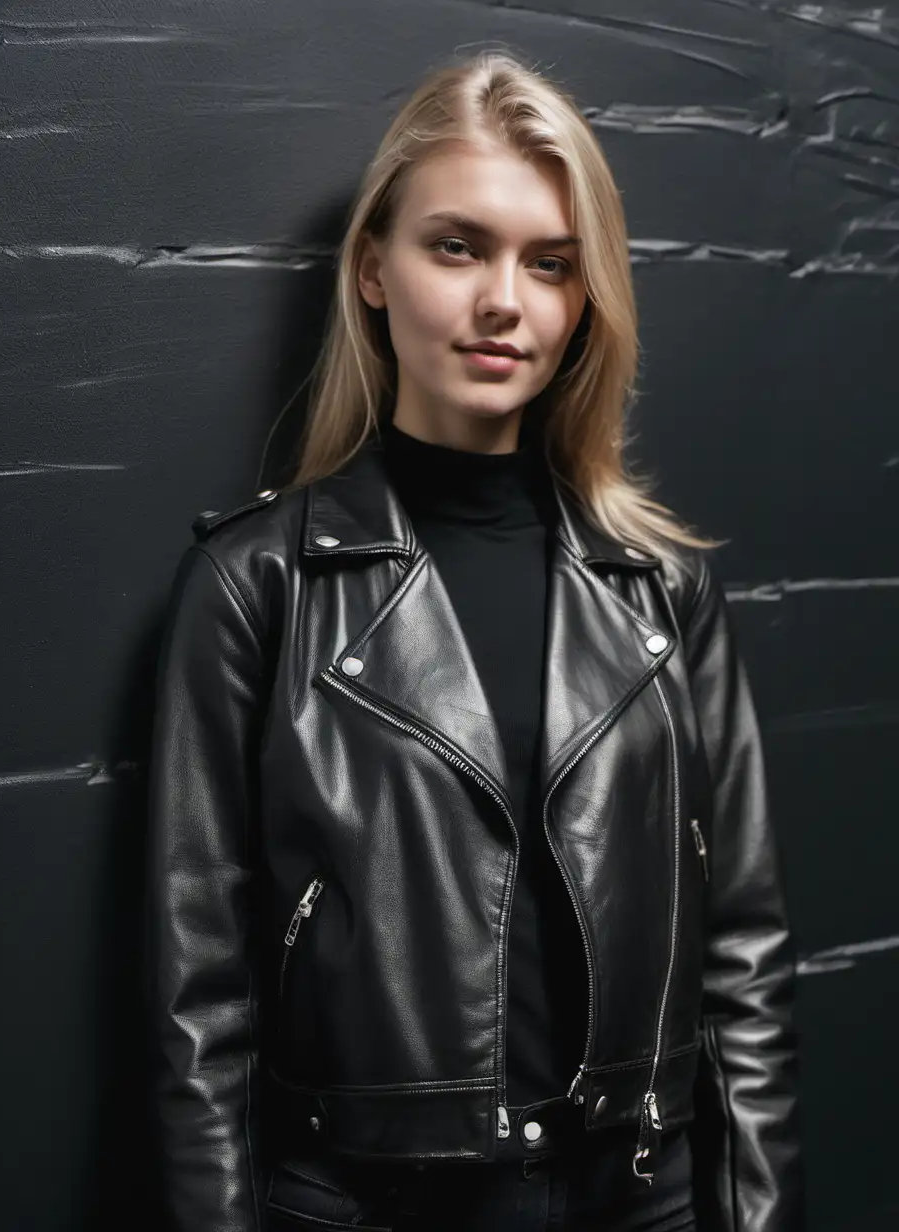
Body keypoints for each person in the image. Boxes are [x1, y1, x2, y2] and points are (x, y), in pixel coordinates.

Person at [146, 51, 804, 1232]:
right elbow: (200, 1009)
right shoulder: (256, 588)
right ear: (373, 270)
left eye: (550, 263)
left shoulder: (660, 589)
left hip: (636, 1198)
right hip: (365, 1200)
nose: (506, 299)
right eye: (458, 246)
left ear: (584, 298)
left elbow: (745, 954)